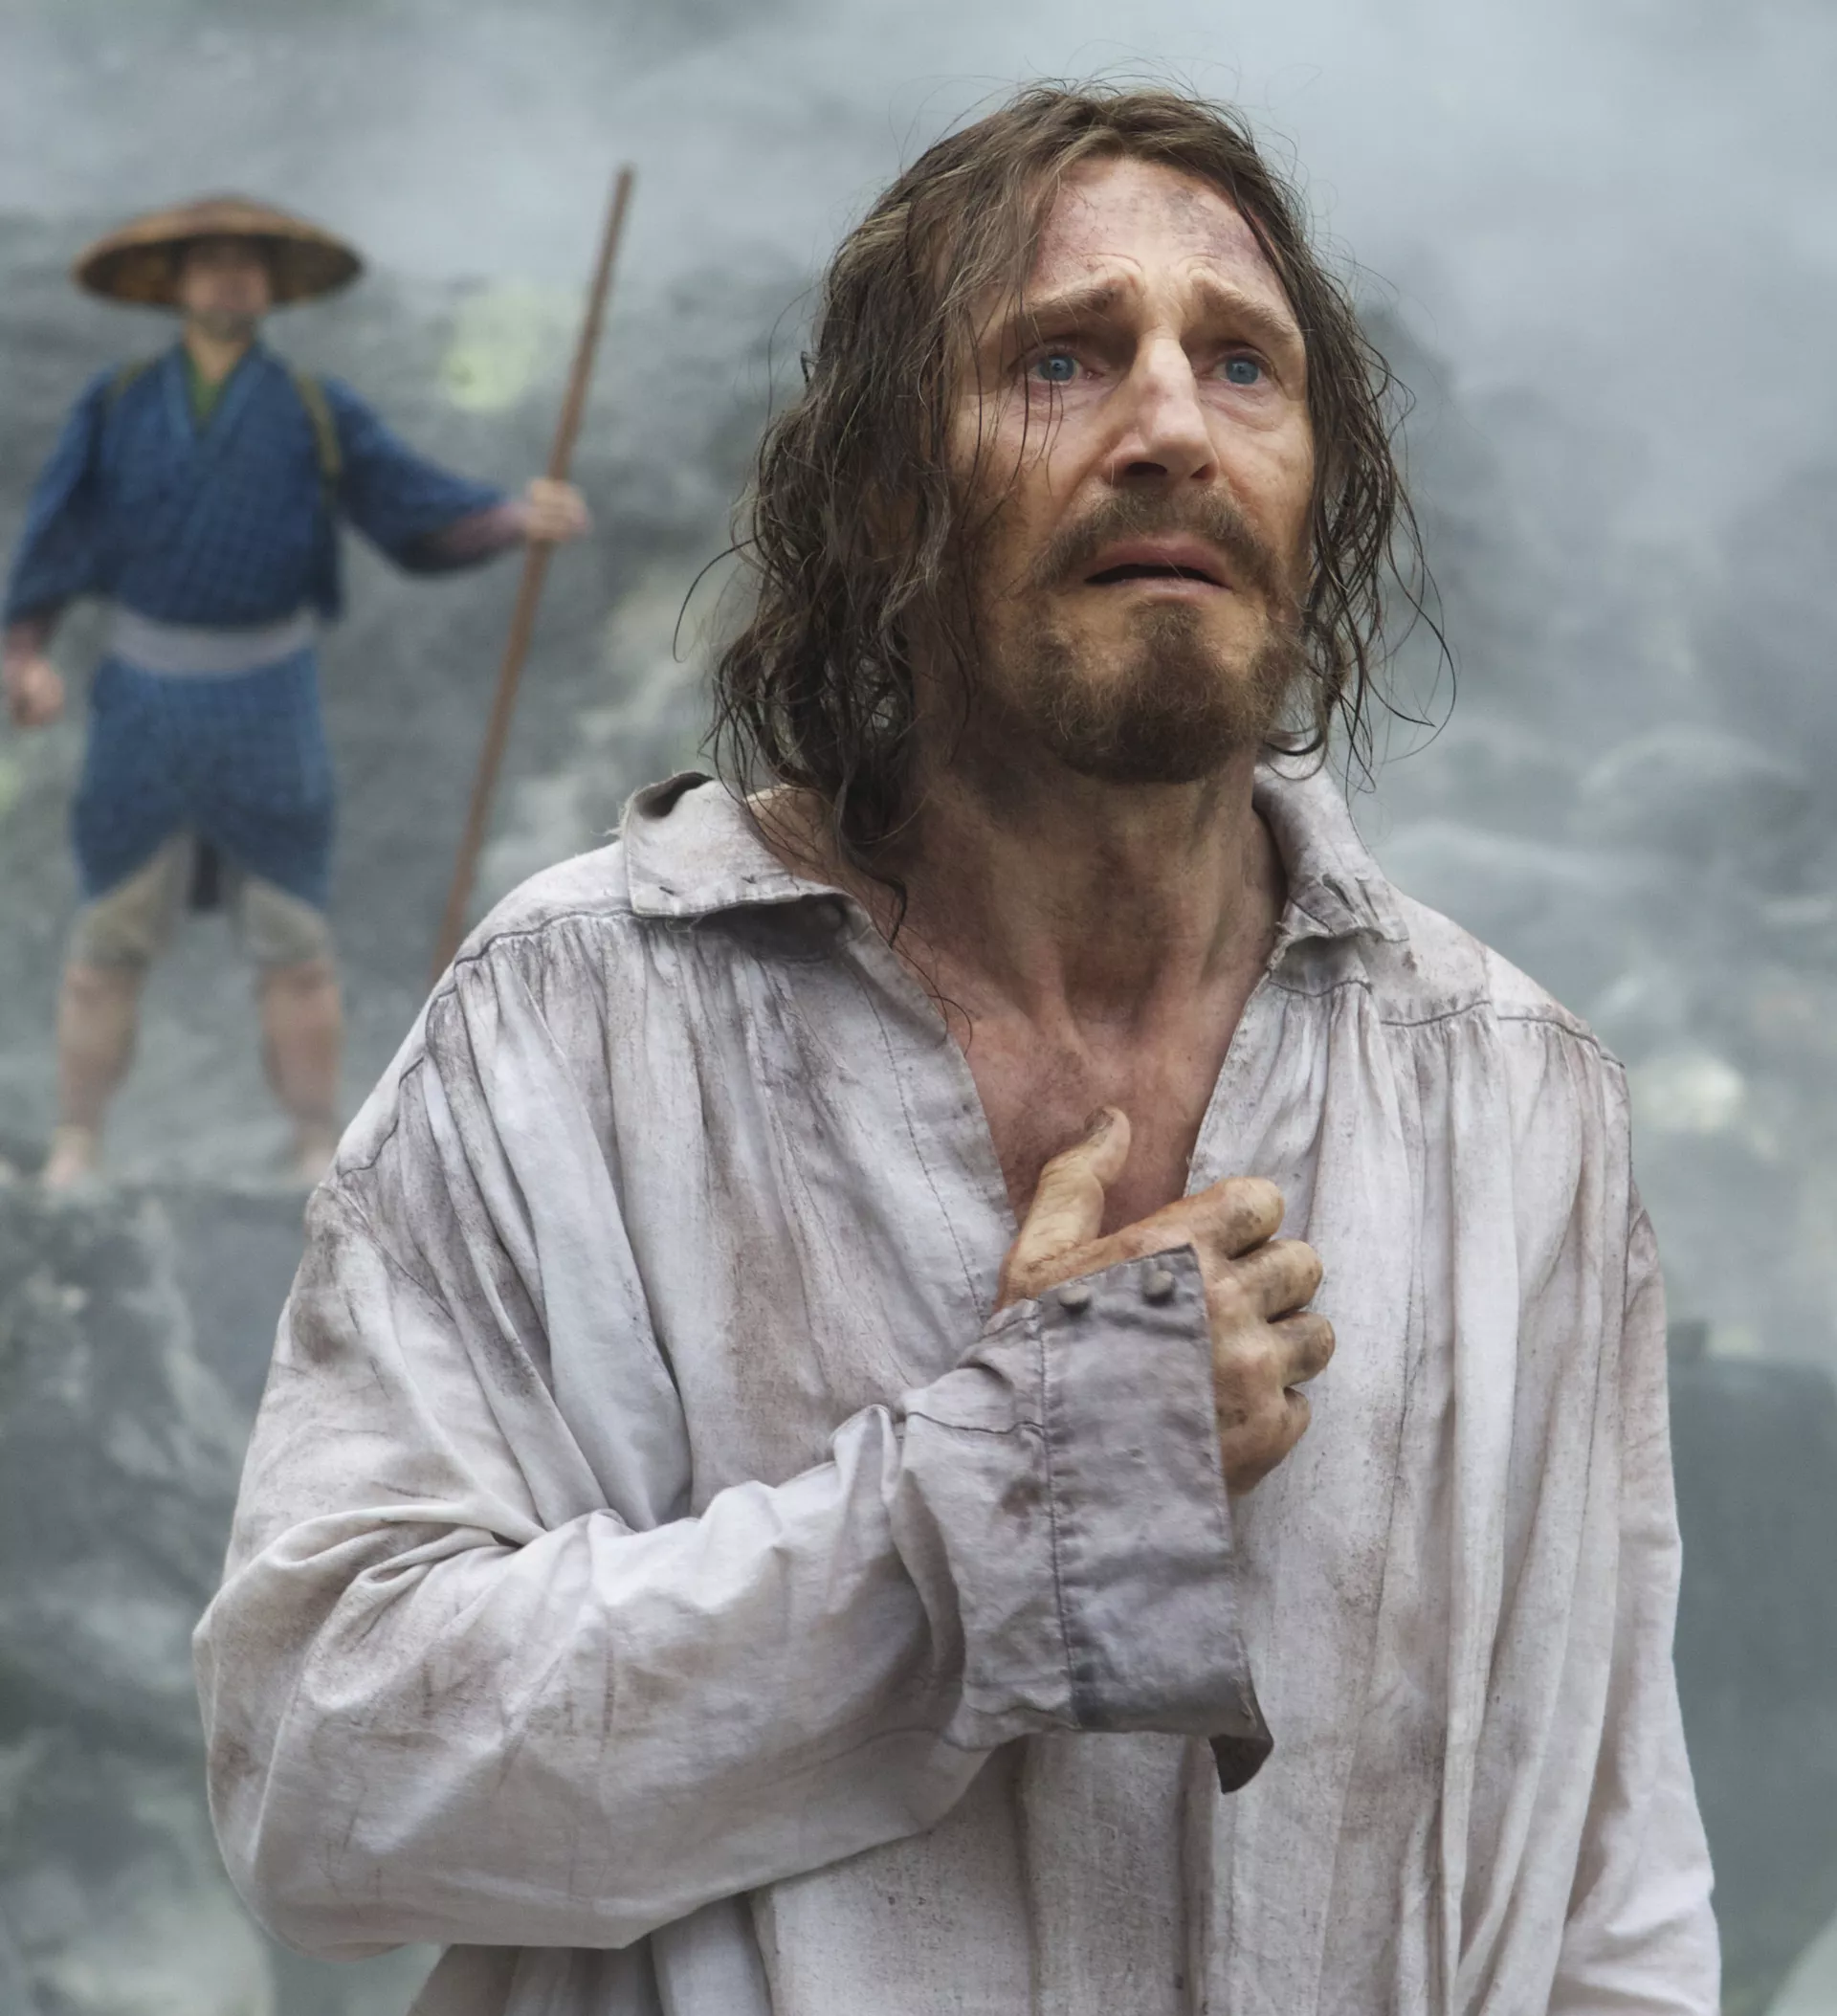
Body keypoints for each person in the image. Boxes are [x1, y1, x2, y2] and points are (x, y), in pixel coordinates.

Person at [195, 87, 1718, 2014]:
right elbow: (322, 1781)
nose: (1168, 424)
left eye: (1240, 364)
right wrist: (1005, 1492)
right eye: (1059, 358)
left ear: (1317, 491)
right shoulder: (582, 1023)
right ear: (885, 496)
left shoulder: (1513, 1101)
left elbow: (1614, 1917)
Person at [0, 195, 589, 1188]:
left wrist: (508, 518)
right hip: (143, 706)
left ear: (271, 288)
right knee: (106, 944)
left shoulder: (315, 410)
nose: (232, 279)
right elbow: (52, 537)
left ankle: (317, 1142)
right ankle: (78, 1143)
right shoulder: (115, 405)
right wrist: (23, 654)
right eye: (212, 263)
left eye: (249, 265)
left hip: (270, 703)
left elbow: (411, 507)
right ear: (177, 284)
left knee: (297, 946)